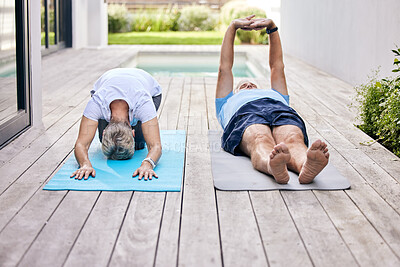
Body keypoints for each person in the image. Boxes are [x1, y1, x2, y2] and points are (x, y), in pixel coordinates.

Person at [216, 15, 329, 184]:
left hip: (279, 109)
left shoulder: (276, 94)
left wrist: (272, 28)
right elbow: (225, 67)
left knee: (292, 137)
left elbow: (277, 65)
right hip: (245, 112)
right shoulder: (227, 102)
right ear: (235, 92)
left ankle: (305, 165)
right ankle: (272, 165)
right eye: (242, 86)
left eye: (251, 84)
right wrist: (232, 27)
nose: (247, 85)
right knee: (259, 138)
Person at [71, 68, 162, 181]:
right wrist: (84, 164)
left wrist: (147, 164)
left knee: (139, 144)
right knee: (109, 143)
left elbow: (156, 146)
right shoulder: (97, 103)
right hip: (109, 81)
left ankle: (138, 135)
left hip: (149, 89)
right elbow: (81, 144)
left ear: (133, 133)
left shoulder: (144, 104)